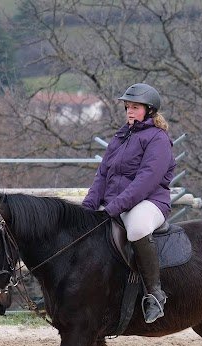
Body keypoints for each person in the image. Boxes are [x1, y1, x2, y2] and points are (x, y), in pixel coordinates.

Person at [82, 83, 176, 323]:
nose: (130, 112)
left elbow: (146, 181)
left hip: (150, 202)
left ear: (150, 110)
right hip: (119, 202)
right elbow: (102, 175)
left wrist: (113, 208)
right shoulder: (122, 136)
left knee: (137, 228)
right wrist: (86, 210)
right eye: (127, 107)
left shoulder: (158, 139)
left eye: (135, 107)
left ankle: (155, 295)